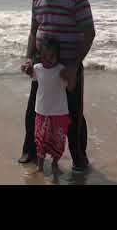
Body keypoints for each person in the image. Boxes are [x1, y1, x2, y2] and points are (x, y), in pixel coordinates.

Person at [18, 0, 95, 173]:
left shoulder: (77, 0)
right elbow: (34, 33)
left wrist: (73, 66)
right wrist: (29, 59)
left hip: (68, 70)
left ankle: (79, 158)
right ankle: (30, 151)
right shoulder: (37, 3)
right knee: (34, 111)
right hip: (43, 69)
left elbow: (89, 34)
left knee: (72, 114)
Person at [30, 36, 74, 171]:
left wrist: (69, 76)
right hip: (41, 111)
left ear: (58, 56)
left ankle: (55, 163)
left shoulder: (61, 70)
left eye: (52, 56)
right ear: (39, 55)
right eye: (44, 55)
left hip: (59, 113)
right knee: (40, 141)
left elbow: (71, 88)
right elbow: (30, 75)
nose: (48, 59)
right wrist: (25, 67)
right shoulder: (37, 68)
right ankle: (40, 166)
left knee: (58, 142)